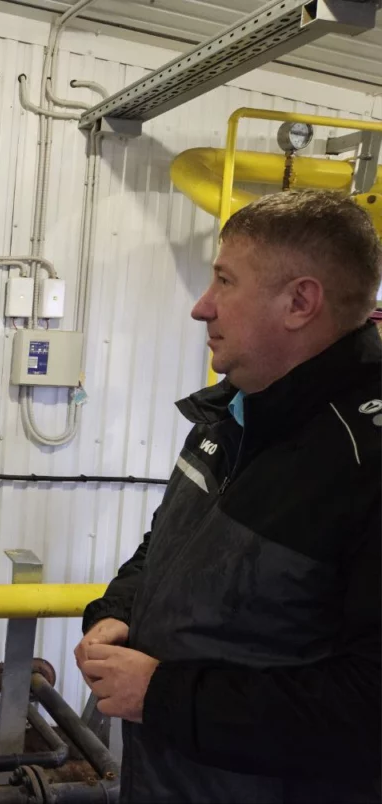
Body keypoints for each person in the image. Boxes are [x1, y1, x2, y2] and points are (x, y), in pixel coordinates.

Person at [75, 189, 381, 803]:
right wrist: (117, 614)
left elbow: (367, 706)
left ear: (300, 302)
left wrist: (162, 696)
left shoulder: (364, 462)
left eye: (224, 280)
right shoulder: (234, 412)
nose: (201, 307)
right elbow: (165, 550)